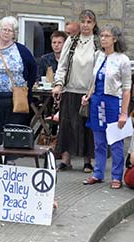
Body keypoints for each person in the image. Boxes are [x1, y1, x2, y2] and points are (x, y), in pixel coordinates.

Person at [0, 16, 37, 164]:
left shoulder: (21, 50)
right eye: (4, 29)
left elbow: (33, 70)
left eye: (10, 30)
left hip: (14, 98)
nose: (6, 32)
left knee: (11, 131)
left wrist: (26, 88)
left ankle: (9, 160)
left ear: (14, 33)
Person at [82, 24, 131, 189]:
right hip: (97, 102)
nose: (102, 38)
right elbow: (94, 80)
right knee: (99, 142)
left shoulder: (122, 60)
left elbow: (126, 89)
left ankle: (117, 176)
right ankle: (98, 173)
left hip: (112, 103)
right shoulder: (98, 55)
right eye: (101, 35)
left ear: (115, 39)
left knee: (116, 142)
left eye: (106, 36)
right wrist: (88, 96)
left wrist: (124, 113)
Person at [52, 9, 100, 173]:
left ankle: (88, 161)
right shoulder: (71, 41)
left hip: (90, 91)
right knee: (67, 125)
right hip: (70, 89)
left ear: (94, 24)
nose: (85, 25)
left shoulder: (98, 43)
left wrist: (93, 91)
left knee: (87, 127)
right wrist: (58, 84)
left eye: (89, 22)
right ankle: (66, 160)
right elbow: (62, 65)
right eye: (83, 21)